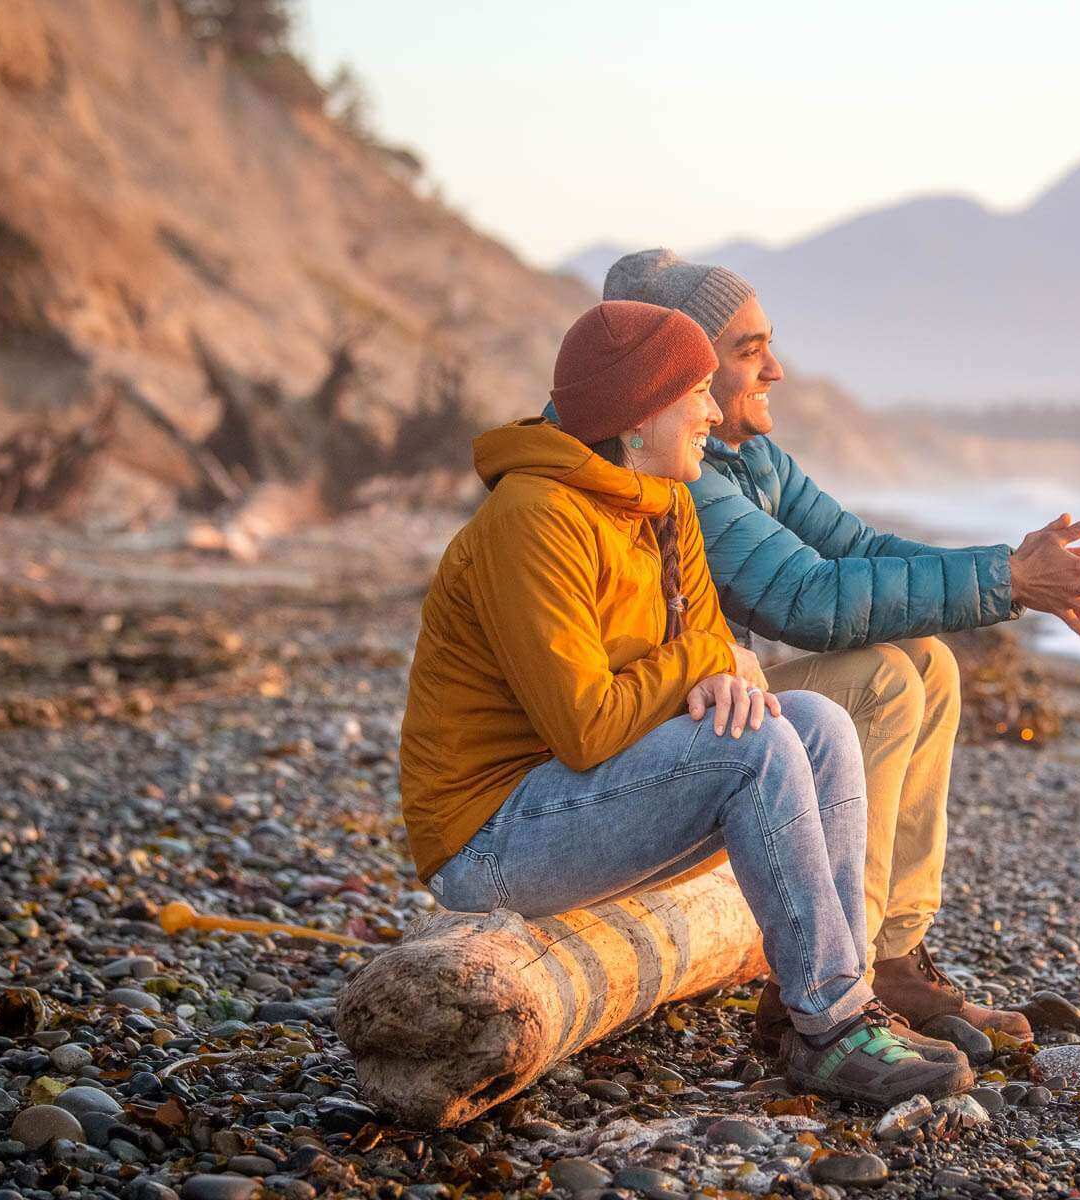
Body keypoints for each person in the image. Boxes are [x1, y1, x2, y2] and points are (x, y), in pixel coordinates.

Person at [399, 300, 973, 1105]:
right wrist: (708, 659)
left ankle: (829, 1003)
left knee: (815, 723)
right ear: (637, 416)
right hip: (489, 839)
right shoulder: (533, 520)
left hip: (583, 804)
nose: (712, 411)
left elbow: (728, 679)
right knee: (755, 749)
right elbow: (588, 724)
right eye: (695, 393)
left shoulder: (662, 505)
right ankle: (832, 1029)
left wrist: (718, 666)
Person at [597, 251, 1080, 1057]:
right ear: (687, 371)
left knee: (926, 661)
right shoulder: (677, 468)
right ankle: (833, 973)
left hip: (703, 701)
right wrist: (1008, 582)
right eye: (750, 351)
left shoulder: (748, 458)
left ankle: (891, 955)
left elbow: (859, 548)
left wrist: (1005, 573)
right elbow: (804, 599)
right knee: (884, 679)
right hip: (642, 733)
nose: (776, 368)